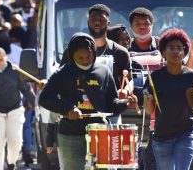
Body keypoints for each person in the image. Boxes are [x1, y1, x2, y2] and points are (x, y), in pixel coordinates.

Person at [39, 33, 138, 170]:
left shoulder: (104, 71)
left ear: (94, 52)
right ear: (72, 55)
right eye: (80, 57)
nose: (85, 60)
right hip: (71, 134)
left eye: (88, 56)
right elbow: (44, 99)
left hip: (101, 133)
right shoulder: (62, 74)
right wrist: (68, 108)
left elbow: (111, 104)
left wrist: (126, 103)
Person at [143, 28, 193, 170]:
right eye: (171, 47)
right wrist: (147, 101)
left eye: (179, 48)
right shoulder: (154, 77)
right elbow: (149, 110)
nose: (175, 51)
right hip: (161, 137)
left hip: (186, 133)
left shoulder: (192, 76)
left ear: (185, 52)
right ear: (163, 52)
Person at [0, 47, 35, 170]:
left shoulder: (15, 71)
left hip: (14, 110)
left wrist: (35, 104)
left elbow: (26, 89)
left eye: (1, 59)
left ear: (6, 58)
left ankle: (11, 162)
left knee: (15, 141)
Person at [61, 4, 132, 91]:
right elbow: (60, 77)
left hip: (109, 103)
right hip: (79, 103)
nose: (97, 22)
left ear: (108, 23)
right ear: (88, 22)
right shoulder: (72, 50)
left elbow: (129, 81)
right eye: (93, 19)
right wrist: (47, 83)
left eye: (101, 19)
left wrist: (125, 91)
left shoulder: (120, 52)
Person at [128, 7, 193, 69]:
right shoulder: (124, 48)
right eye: (138, 24)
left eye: (146, 23)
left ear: (152, 25)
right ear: (131, 26)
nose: (142, 27)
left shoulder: (165, 44)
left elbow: (186, 73)